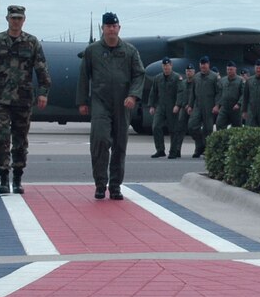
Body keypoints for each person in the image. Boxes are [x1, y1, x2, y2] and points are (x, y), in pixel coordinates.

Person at [0, 5, 51, 195]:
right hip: (1, 98)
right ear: (7, 19)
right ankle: (3, 178)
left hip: (23, 99)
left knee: (20, 140)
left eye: (19, 18)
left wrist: (43, 91)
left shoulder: (31, 42)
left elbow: (42, 69)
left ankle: (17, 178)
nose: (16, 21)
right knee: (2, 138)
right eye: (13, 18)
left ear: (24, 20)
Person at [76, 12, 146, 200]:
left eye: (114, 26)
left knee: (120, 145)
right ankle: (100, 184)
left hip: (122, 103)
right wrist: (82, 101)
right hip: (100, 102)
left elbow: (139, 74)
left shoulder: (130, 51)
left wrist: (133, 95)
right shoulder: (93, 51)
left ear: (119, 28)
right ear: (103, 28)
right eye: (108, 26)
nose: (111, 29)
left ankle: (115, 186)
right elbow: (84, 75)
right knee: (99, 140)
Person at [146, 57, 184, 158]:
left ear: (171, 65)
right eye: (164, 66)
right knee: (156, 126)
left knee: (173, 130)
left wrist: (178, 105)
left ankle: (173, 151)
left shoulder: (177, 77)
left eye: (167, 66)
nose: (166, 68)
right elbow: (153, 92)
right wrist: (151, 105)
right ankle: (160, 150)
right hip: (161, 106)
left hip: (172, 107)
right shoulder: (158, 78)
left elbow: (180, 92)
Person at [187, 56, 220, 156]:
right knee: (192, 126)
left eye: (205, 64)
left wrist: (217, 105)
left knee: (208, 129)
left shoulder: (214, 77)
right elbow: (192, 93)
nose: (203, 66)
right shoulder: (196, 77)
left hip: (209, 105)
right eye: (201, 64)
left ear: (208, 64)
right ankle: (200, 144)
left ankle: (204, 150)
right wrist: (190, 105)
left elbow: (219, 92)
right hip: (198, 105)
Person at [215, 61, 244, 129]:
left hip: (236, 108)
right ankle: (223, 139)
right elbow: (219, 93)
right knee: (219, 124)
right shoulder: (223, 80)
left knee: (237, 128)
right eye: (228, 69)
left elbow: (243, 94)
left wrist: (239, 104)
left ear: (235, 69)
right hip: (224, 107)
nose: (229, 71)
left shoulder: (240, 80)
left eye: (231, 69)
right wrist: (217, 105)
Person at [175, 63, 196, 157]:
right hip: (183, 109)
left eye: (190, 71)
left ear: (194, 72)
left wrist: (191, 106)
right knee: (180, 129)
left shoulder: (197, 83)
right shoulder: (182, 83)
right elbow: (180, 95)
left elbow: (198, 95)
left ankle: (198, 149)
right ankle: (177, 150)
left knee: (194, 129)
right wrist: (180, 105)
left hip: (194, 109)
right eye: (187, 71)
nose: (188, 72)